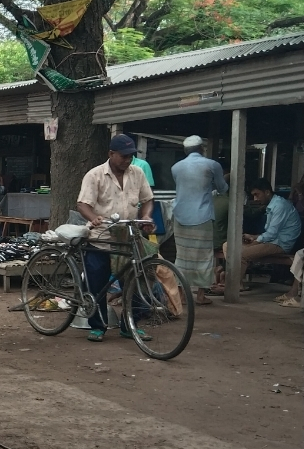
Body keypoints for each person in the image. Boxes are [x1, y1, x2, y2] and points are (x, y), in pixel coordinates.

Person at [76, 134, 156, 342]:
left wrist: (146, 215)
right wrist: (93, 218)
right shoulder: (94, 175)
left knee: (135, 282)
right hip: (100, 238)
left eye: (130, 156)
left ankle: (130, 325)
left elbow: (147, 199)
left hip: (128, 237)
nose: (128, 160)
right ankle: (98, 326)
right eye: (123, 156)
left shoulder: (137, 173)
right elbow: (83, 204)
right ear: (111, 154)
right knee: (97, 284)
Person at [170, 135, 227, 306]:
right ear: (202, 149)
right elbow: (223, 188)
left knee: (182, 257)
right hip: (201, 217)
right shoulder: (212, 165)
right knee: (204, 257)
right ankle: (200, 295)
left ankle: (180, 295)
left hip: (180, 217)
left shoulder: (175, 167)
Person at [220, 178, 301, 291]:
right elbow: (269, 234)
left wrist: (256, 240)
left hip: (280, 244)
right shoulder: (272, 205)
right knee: (227, 245)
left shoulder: (280, 205)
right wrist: (254, 237)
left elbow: (272, 234)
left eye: (257, 194)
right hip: (270, 240)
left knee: (241, 254)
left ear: (267, 192)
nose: (255, 199)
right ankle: (234, 280)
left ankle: (234, 284)